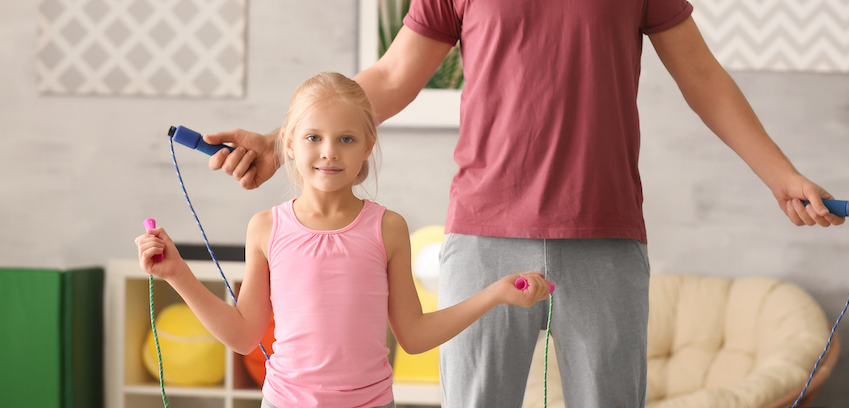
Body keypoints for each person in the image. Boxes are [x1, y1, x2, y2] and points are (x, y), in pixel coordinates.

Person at [203, 0, 845, 408]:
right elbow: (395, 76)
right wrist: (278, 136)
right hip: (483, 234)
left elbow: (701, 75)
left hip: (605, 231)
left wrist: (780, 174)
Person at [136, 72, 550, 408]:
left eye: (346, 139)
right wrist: (176, 273)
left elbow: (414, 334)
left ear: (369, 144)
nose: (329, 152)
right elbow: (245, 335)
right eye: (313, 137)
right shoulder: (265, 228)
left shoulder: (388, 228)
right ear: (288, 145)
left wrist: (495, 294)